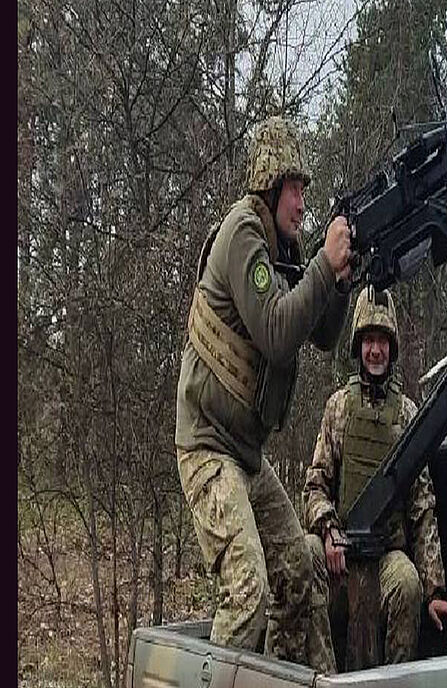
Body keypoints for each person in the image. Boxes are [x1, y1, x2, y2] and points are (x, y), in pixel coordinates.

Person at [175, 116, 350, 672]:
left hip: (245, 456)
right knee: (248, 590)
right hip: (208, 447)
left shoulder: (285, 246)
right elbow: (278, 334)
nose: (302, 202)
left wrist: (341, 279)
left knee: (300, 569)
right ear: (271, 186)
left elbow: (321, 334)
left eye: (303, 190)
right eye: (295, 189)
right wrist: (325, 261)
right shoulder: (243, 233)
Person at [303, 287, 447, 669]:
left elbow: (423, 505)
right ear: (358, 347)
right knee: (303, 556)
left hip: (387, 555)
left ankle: (394, 679)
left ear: (392, 347)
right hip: (340, 558)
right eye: (369, 340)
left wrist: (434, 589)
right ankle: (323, 676)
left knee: (407, 583)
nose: (375, 350)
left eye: (382, 341)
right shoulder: (338, 408)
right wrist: (328, 532)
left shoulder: (408, 415)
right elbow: (315, 486)